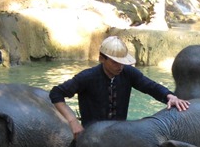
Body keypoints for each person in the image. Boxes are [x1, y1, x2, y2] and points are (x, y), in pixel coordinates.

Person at [50, 36, 190, 139]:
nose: (120, 66)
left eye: (122, 62)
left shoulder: (127, 72)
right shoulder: (87, 77)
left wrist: (169, 96)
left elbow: (149, 86)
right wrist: (72, 121)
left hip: (119, 134)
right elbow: (56, 93)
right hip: (91, 135)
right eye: (115, 62)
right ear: (102, 59)